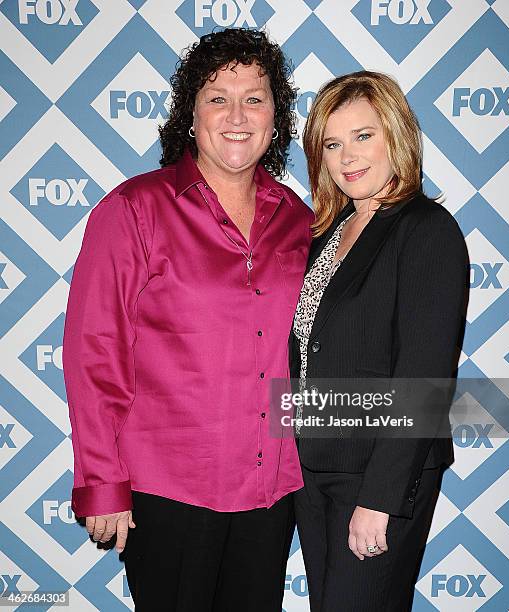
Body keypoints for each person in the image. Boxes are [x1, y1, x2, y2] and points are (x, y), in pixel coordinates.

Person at [63, 28, 314, 611]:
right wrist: (103, 484)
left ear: (275, 117)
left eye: (254, 98)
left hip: (271, 491)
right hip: (168, 493)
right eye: (217, 97)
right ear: (189, 113)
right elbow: (94, 352)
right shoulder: (133, 210)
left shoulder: (298, 218)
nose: (237, 114)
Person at [289, 71, 468, 611]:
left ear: (397, 134)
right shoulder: (325, 232)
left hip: (378, 477)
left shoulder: (426, 229)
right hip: (311, 469)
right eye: (333, 143)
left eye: (363, 136)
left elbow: (425, 377)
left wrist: (380, 499)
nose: (348, 156)